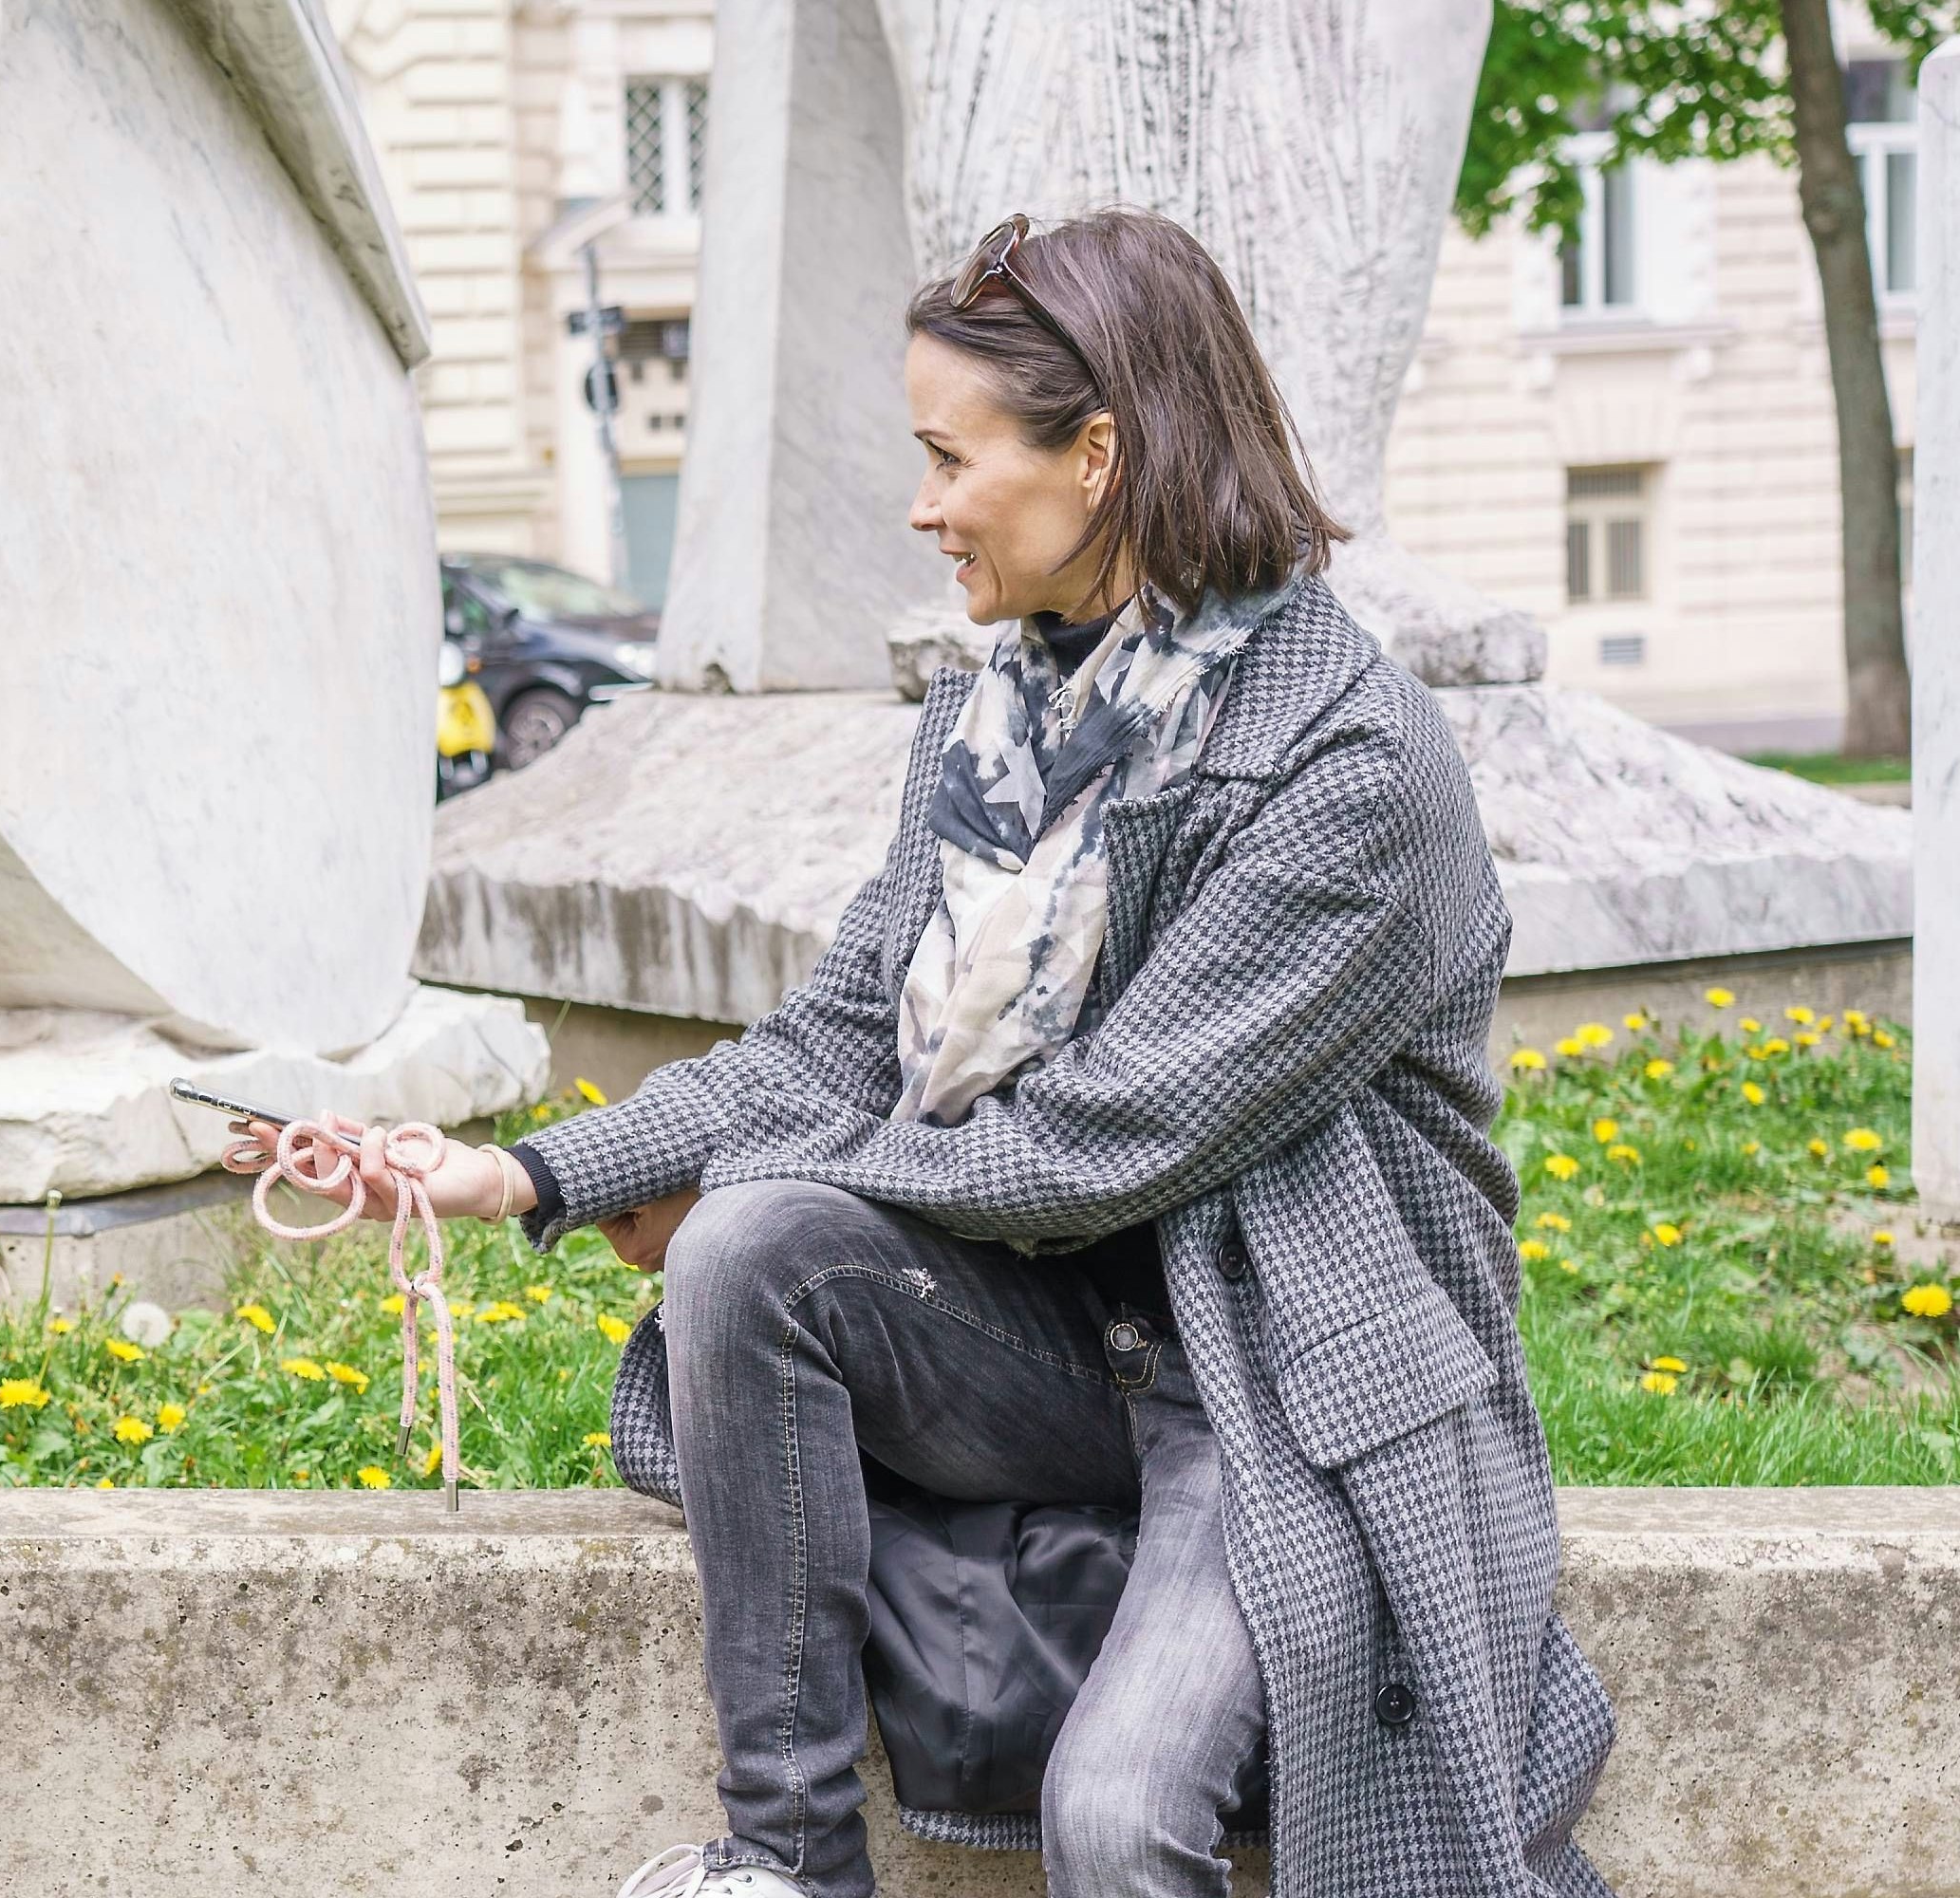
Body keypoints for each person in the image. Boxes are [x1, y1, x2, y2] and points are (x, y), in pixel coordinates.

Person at [270, 210, 1614, 1898]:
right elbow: (839, 1040)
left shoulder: (1344, 762)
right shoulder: (1002, 722)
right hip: (1065, 1341)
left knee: (1116, 1818)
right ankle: (786, 1862)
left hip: (1276, 1377)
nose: (921, 508)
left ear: (1097, 456)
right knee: (752, 1252)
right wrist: (518, 1173)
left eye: (947, 458)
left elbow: (1092, 1146)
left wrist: (724, 1179)